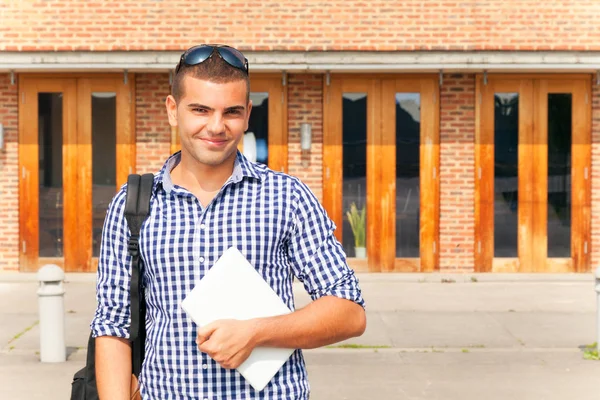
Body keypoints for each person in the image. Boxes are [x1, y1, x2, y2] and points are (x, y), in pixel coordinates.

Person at [91, 44, 366, 399]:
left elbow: (349, 312)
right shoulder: (133, 205)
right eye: (201, 110)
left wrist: (256, 332)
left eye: (231, 112)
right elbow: (113, 326)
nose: (217, 126)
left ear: (248, 114)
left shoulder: (286, 197)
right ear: (173, 110)